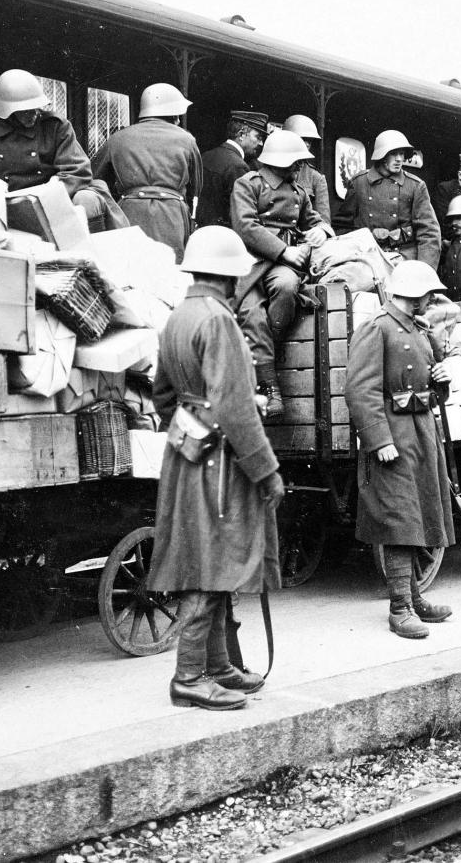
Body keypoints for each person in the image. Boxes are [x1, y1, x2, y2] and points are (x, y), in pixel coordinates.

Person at [145, 226, 284, 711]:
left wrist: (193, 427)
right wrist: (266, 470)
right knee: (212, 565)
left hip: (188, 459)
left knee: (212, 562)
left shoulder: (178, 318)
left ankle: (219, 666)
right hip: (223, 466)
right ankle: (188, 676)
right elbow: (236, 406)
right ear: (230, 275)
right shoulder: (220, 321)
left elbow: (163, 396)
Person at [345, 260, 454, 639]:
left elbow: (430, 389)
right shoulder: (377, 329)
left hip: (422, 433)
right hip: (394, 436)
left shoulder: (420, 332)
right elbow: (361, 391)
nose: (431, 300)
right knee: (399, 520)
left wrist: (441, 382)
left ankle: (414, 597)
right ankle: (399, 609)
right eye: (428, 295)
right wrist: (379, 441)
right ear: (416, 294)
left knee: (420, 514)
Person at [230, 129, 333, 420]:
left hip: (281, 268)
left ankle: (265, 361)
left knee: (287, 286)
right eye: (296, 161)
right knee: (252, 314)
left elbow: (316, 221)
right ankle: (271, 386)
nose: (300, 166)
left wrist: (319, 231)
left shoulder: (299, 192)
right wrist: (284, 251)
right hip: (250, 264)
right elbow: (246, 227)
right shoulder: (247, 184)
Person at [0, 69, 111, 211]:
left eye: (36, 107)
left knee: (87, 199)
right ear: (8, 112)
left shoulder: (55, 126)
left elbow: (77, 171)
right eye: (26, 110)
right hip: (7, 206)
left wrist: (48, 192)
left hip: (54, 200)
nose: (34, 114)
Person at [93, 83, 201, 259]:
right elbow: (196, 188)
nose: (179, 121)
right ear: (172, 113)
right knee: (170, 273)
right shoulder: (187, 139)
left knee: (131, 271)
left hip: (129, 214)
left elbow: (95, 178)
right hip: (173, 216)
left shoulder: (118, 138)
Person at [334, 130, 442, 268]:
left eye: (401, 154)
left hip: (404, 259)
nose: (399, 159)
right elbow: (341, 227)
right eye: (393, 153)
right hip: (368, 259)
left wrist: (423, 271)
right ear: (381, 155)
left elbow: (429, 233)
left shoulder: (415, 186)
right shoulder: (359, 183)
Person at [196, 111, 268, 230]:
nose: (261, 143)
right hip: (224, 235)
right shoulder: (238, 166)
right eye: (258, 137)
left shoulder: (206, 156)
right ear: (242, 134)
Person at [282, 114, 332, 224]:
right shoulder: (273, 169)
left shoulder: (316, 178)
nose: (307, 144)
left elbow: (324, 222)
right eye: (302, 139)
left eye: (309, 140)